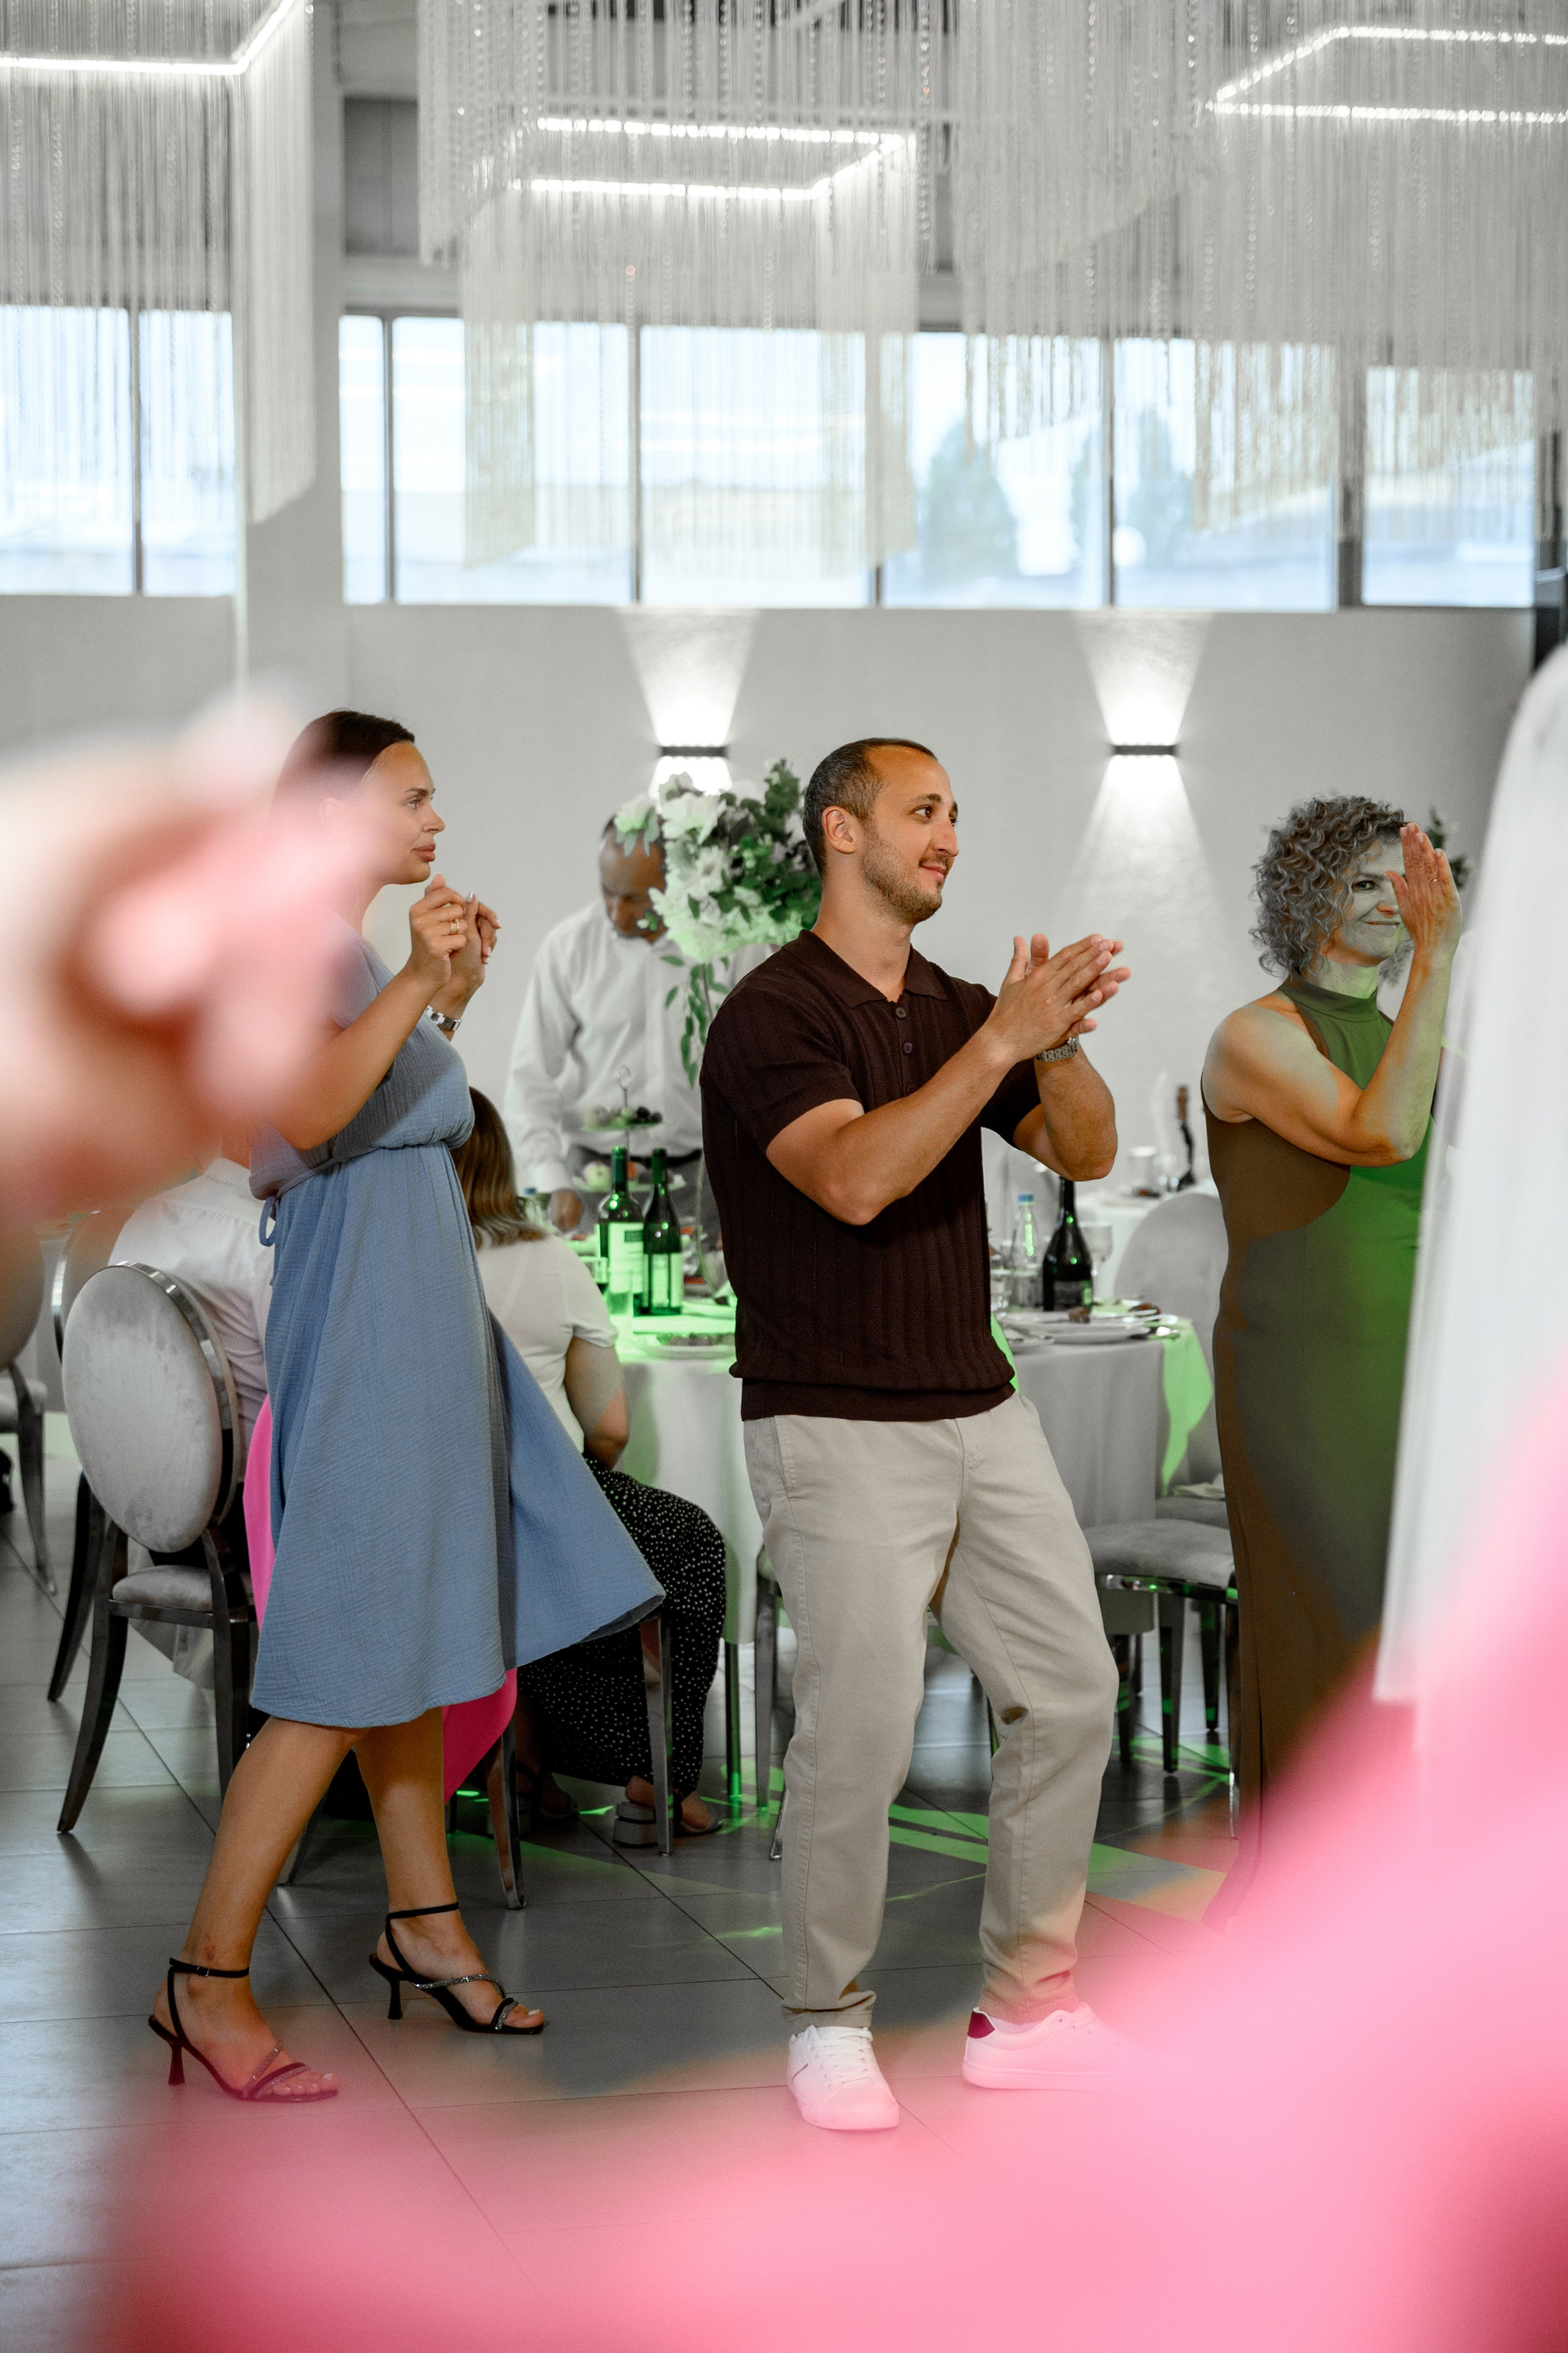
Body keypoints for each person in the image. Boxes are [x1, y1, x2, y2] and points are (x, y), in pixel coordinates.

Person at [148, 709, 660, 2105]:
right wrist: (420, 983)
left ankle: (423, 1923)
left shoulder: (345, 946)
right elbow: (313, 1111)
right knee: (331, 1673)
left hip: (415, 1327)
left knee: (409, 1646)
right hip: (368, 1332)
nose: (436, 818)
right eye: (410, 796)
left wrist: (441, 987)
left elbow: (373, 1104)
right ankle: (205, 1974)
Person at [700, 736, 1133, 2133]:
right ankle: (825, 2018)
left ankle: (1028, 2004)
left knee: (1067, 1688)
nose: (947, 834)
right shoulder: (771, 1012)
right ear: (841, 830)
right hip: (833, 1416)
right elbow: (855, 1177)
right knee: (857, 1731)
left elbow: (1083, 1149)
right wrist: (994, 1042)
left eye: (955, 810)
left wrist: (1046, 1036)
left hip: (977, 1399)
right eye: (919, 809)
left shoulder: (960, 1001)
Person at [1201, 798, 1461, 1891]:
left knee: (1413, 1634)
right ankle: (1312, 1909)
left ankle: (1395, 1908)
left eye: (1400, 881)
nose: (1393, 903)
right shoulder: (1256, 1033)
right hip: (1300, 1366)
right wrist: (1441, 963)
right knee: (1339, 1626)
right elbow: (1382, 1133)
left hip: (1410, 1346)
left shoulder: (1412, 1024)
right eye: (1363, 883)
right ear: (1306, 900)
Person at [454, 1088, 727, 1840]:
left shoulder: (391, 1260)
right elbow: (609, 1428)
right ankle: (655, 1782)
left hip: (433, 1514)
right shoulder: (545, 1256)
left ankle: (522, 1766)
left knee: (561, 1561)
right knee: (686, 1544)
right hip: (535, 1504)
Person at [504, 807, 767, 1233]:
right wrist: (551, 1180)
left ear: (678, 884)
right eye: (608, 892)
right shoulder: (568, 948)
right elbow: (530, 1078)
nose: (616, 912)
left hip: (704, 1183)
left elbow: (764, 1069)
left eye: (635, 899)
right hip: (590, 1185)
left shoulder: (735, 946)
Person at [110, 1131, 273, 1687]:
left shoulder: (142, 1221)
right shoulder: (266, 1236)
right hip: (244, 1534)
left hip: (145, 1517)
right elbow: (308, 1396)